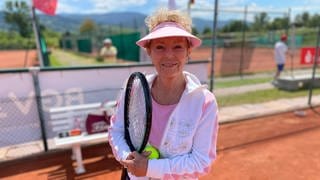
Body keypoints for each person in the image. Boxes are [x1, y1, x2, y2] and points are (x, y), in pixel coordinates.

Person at [108, 8, 219, 179]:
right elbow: (116, 131)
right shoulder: (133, 90)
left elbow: (202, 162)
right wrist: (126, 157)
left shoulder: (205, 102)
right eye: (159, 47)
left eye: (178, 47)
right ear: (149, 52)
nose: (169, 55)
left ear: (189, 51)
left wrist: (149, 168)